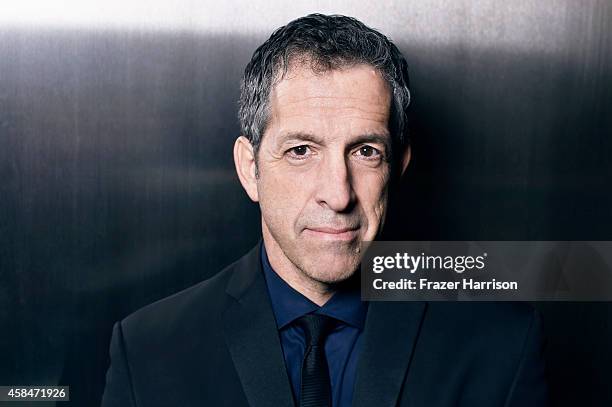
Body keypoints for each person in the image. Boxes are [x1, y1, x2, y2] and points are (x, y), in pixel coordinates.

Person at [101, 14, 548, 407]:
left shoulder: (500, 345)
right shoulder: (148, 350)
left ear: (398, 167)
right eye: (301, 150)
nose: (338, 195)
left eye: (366, 151)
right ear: (250, 169)